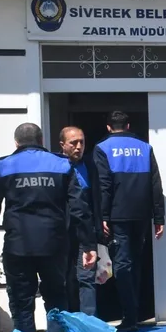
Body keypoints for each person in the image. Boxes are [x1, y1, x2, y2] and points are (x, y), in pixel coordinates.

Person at [0, 122, 95, 332]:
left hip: (18, 245)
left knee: (22, 301)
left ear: (16, 143)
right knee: (56, 298)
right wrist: (89, 244)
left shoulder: (4, 167)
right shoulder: (61, 165)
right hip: (54, 245)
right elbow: (80, 208)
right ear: (42, 142)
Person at [93, 110, 163, 332]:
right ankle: (137, 313)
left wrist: (102, 216)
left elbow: (103, 185)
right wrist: (159, 217)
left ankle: (130, 317)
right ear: (129, 124)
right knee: (136, 263)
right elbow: (155, 184)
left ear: (108, 127)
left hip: (118, 215)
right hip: (142, 215)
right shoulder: (145, 147)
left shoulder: (102, 148)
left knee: (122, 265)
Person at [58, 125, 97, 317]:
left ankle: (89, 324)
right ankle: (69, 320)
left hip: (86, 229)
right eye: (73, 143)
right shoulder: (56, 167)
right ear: (62, 145)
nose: (78, 146)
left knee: (87, 277)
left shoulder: (91, 165)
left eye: (82, 142)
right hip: (62, 231)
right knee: (65, 279)